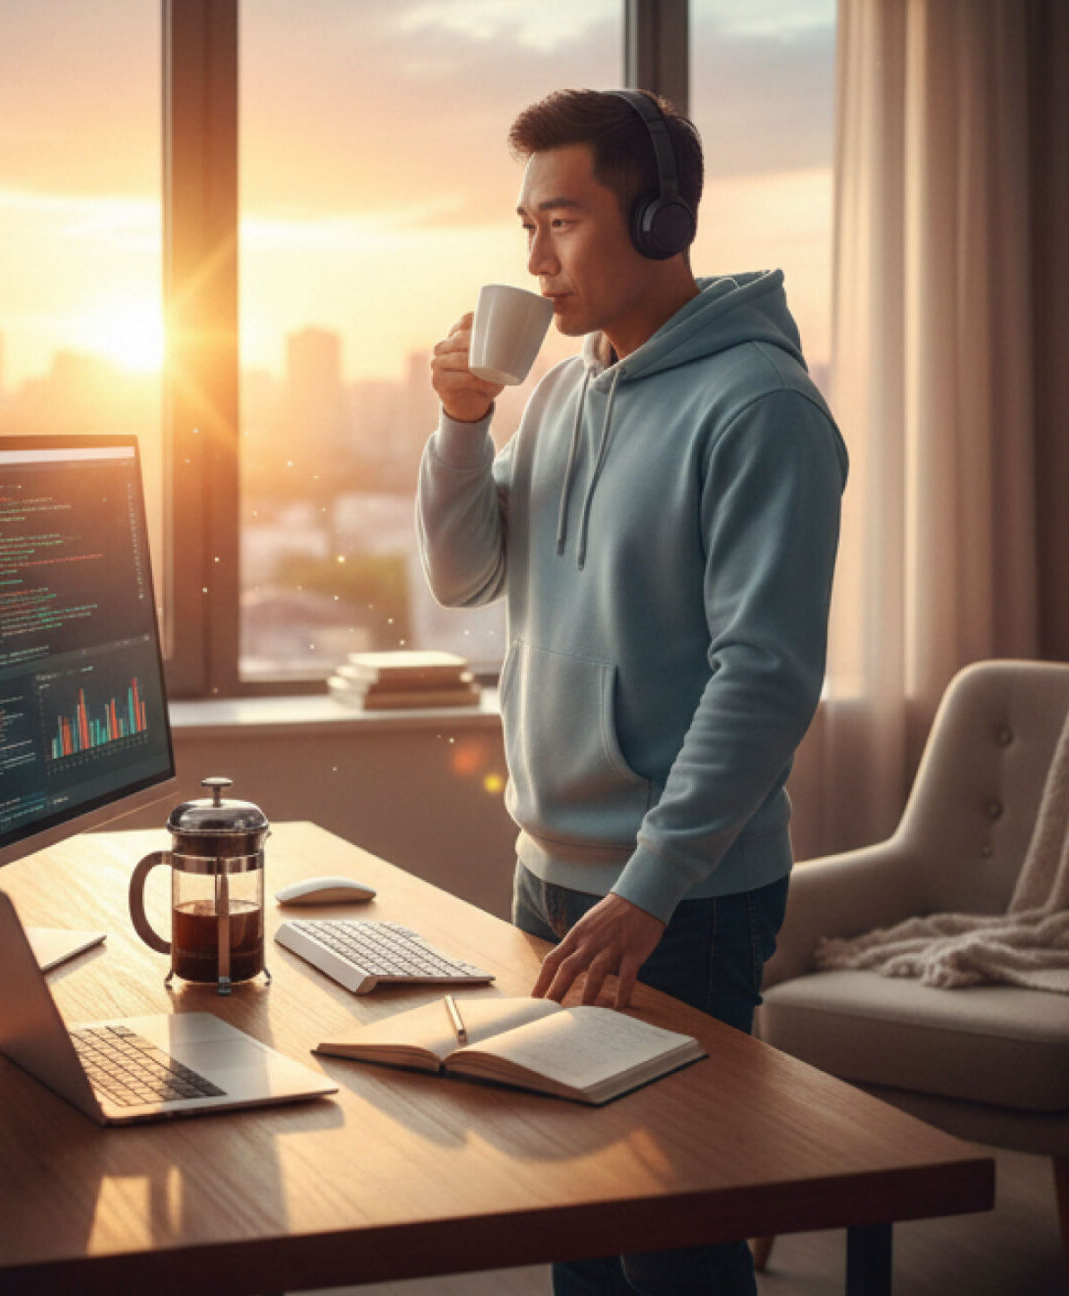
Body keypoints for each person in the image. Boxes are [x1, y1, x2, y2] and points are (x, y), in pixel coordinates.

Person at [415, 88, 848, 1296]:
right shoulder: (559, 389)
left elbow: (765, 679)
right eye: (524, 228)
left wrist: (654, 888)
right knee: (575, 1213)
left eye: (562, 221)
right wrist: (460, 424)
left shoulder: (761, 409)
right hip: (547, 870)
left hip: (682, 899)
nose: (535, 261)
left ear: (661, 220)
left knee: (671, 1238)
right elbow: (465, 575)